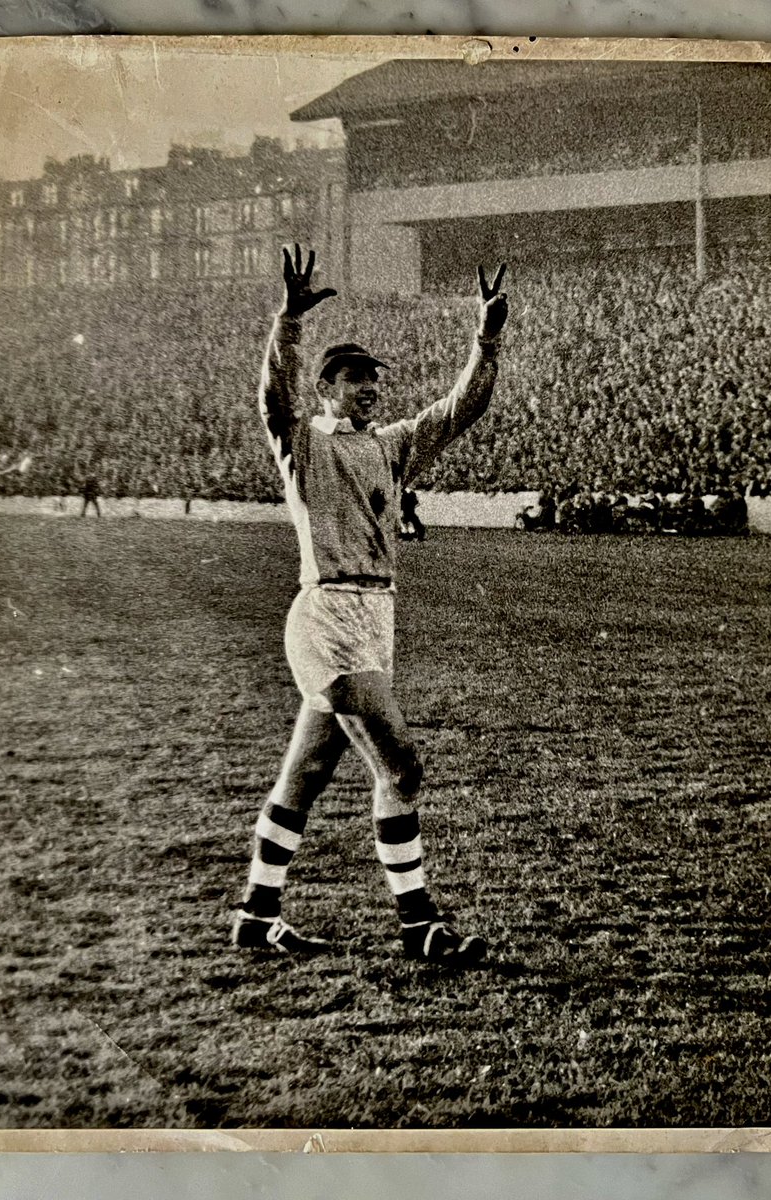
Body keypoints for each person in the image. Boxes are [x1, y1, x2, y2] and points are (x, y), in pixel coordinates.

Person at [233, 244, 508, 964]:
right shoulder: (302, 441)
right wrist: (288, 322)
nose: (369, 389)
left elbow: (460, 409)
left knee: (306, 777)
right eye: (354, 378)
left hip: (376, 616)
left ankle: (257, 914)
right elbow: (272, 398)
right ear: (324, 389)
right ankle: (419, 925)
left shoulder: (387, 447)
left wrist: (485, 340)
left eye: (373, 380)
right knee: (401, 766)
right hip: (327, 616)